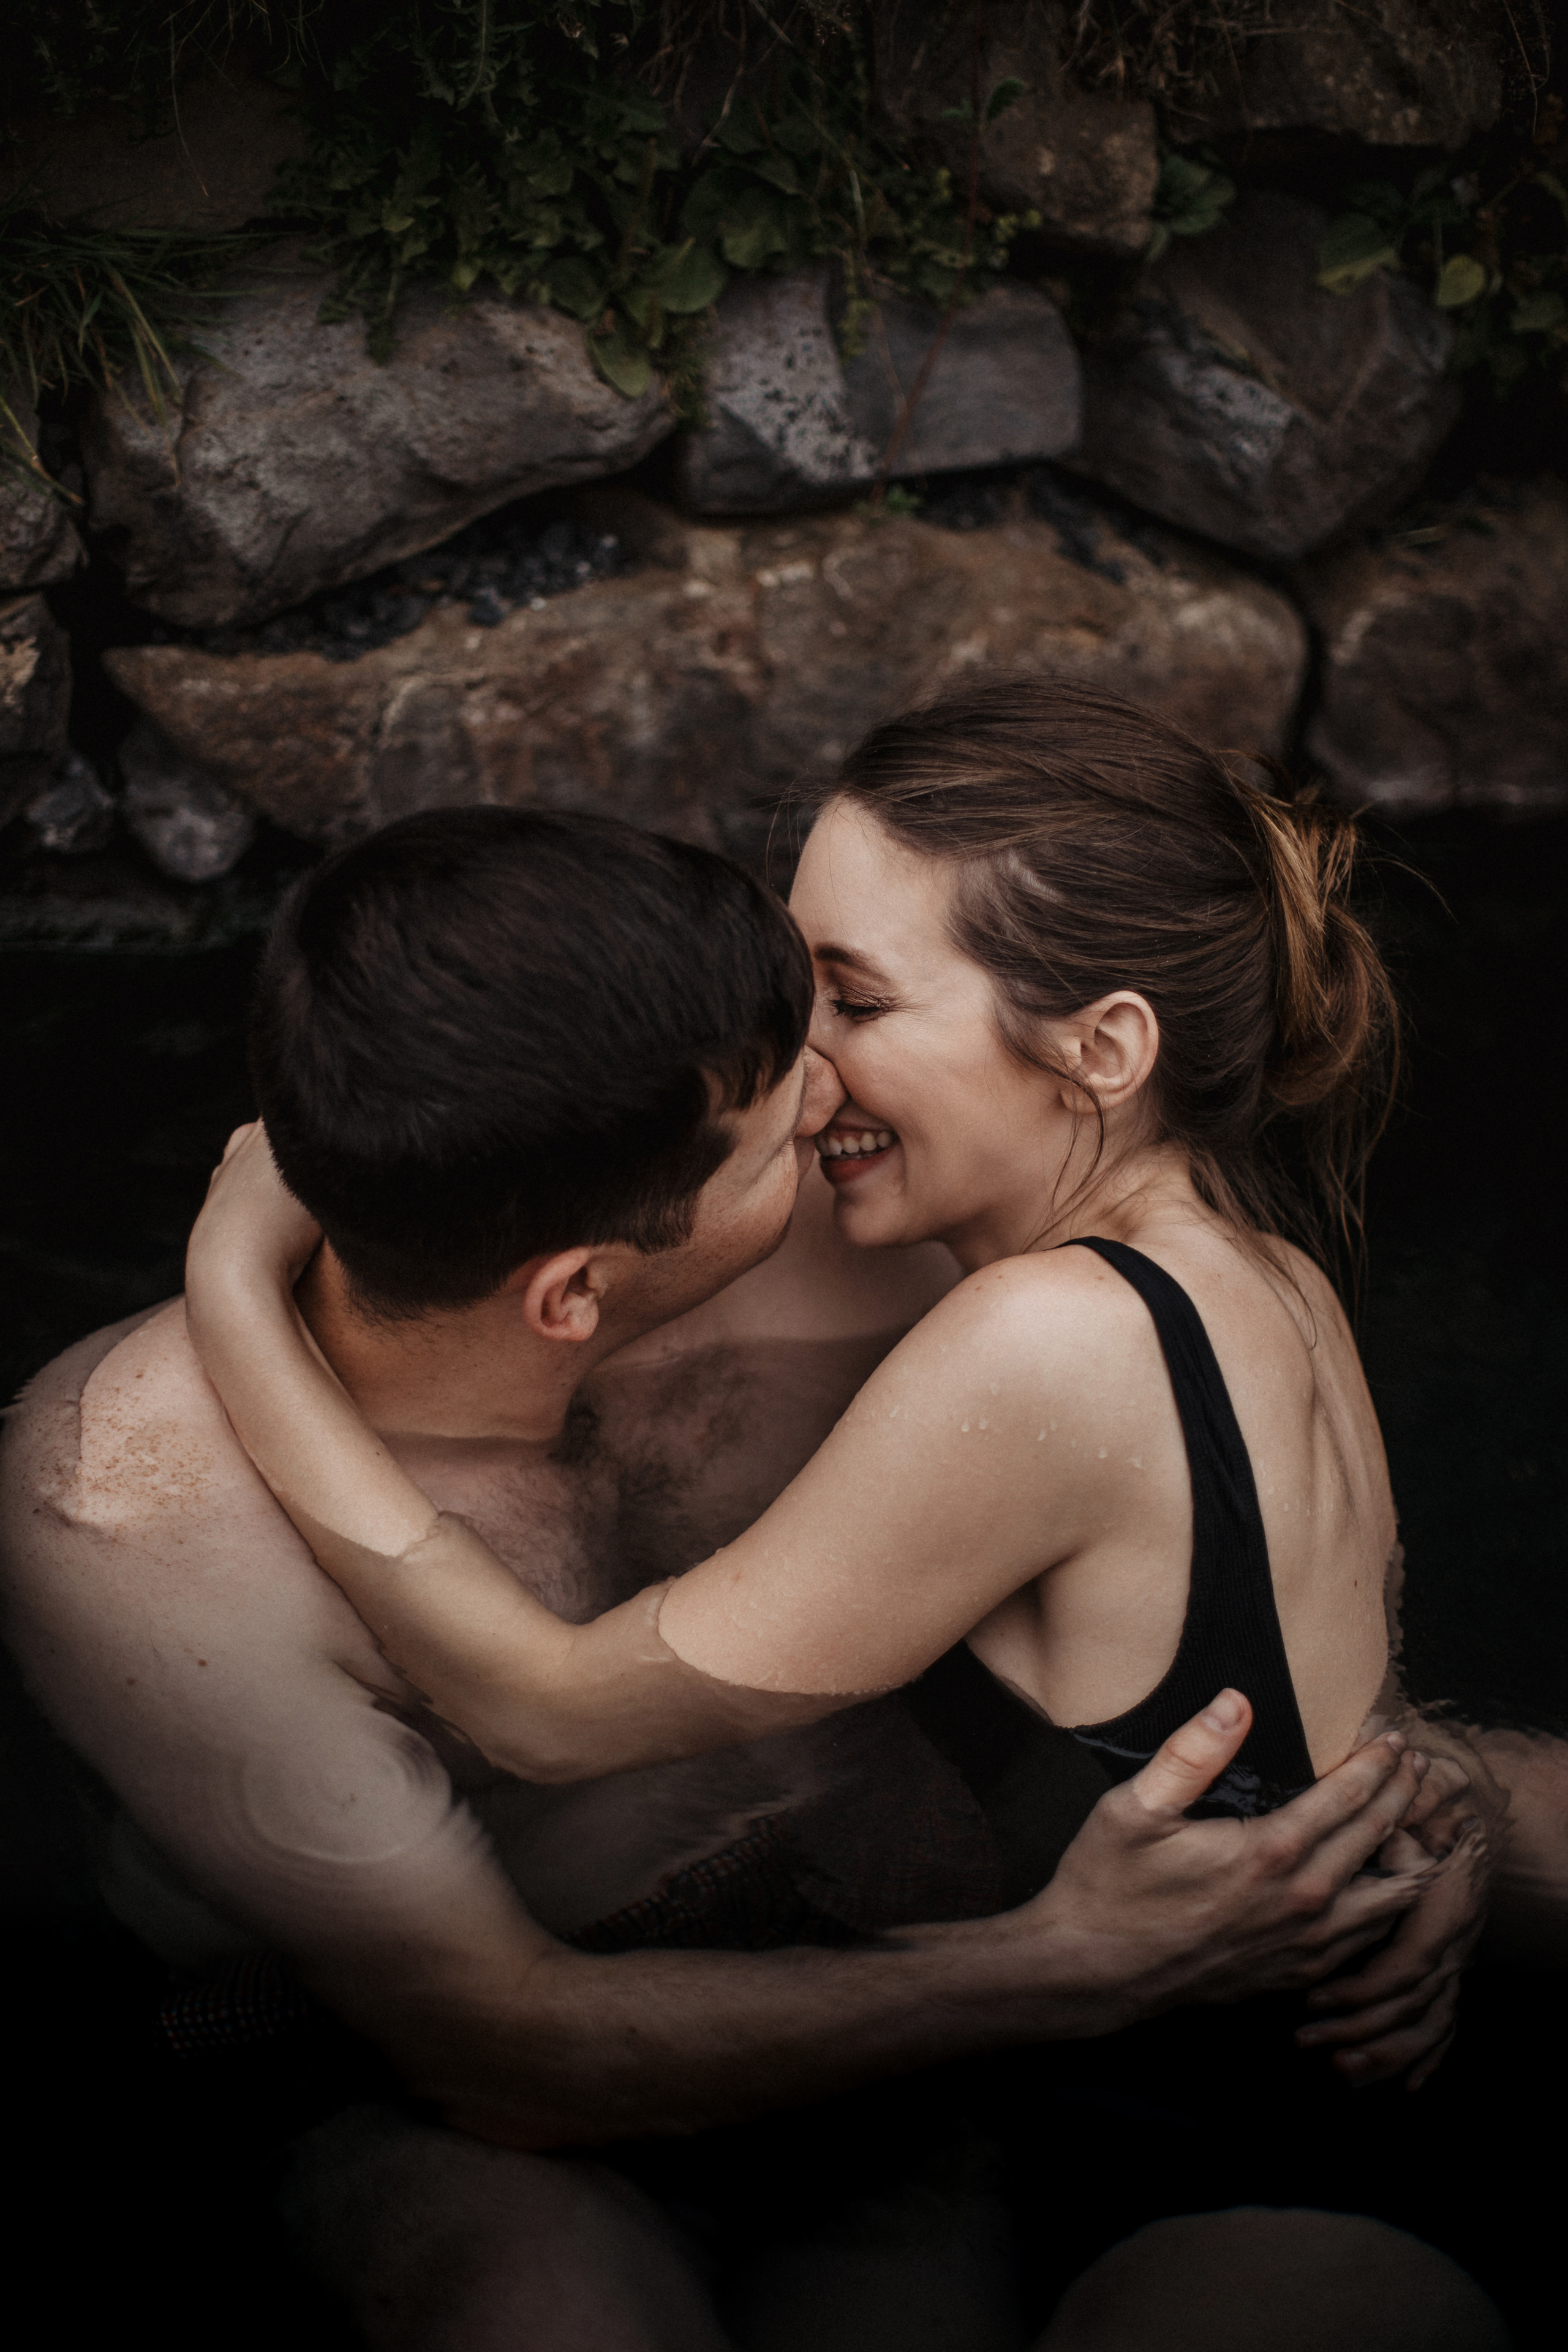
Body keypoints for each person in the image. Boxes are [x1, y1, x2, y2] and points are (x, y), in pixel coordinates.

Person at [0, 761, 1502, 2351]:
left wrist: (1402, 1795)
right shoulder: (137, 1512)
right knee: (546, 2309)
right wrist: (1061, 1968)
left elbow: (1236, 1579)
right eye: (780, 1113)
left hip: (900, 2028)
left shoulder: (896, 1262)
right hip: (433, 2092)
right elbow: (497, 2052)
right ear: (573, 1291)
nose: (828, 1102)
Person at [186, 679, 1499, 2076]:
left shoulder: (1054, 1338)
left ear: (1101, 1049)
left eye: (856, 1002)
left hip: (1163, 2169)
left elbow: (546, 1710)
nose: (800, 1072)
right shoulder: (1268, 1278)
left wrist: (235, 1295)